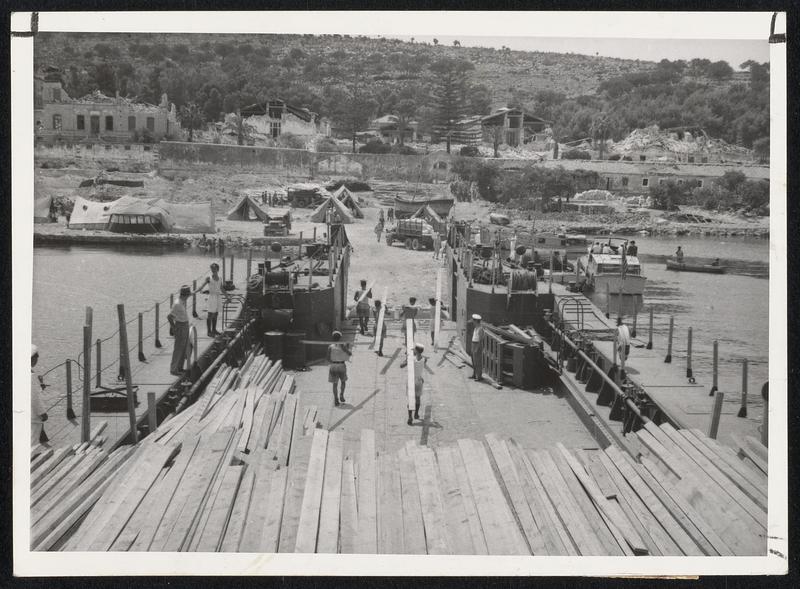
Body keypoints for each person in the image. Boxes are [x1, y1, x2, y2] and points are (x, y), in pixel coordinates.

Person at [168, 285, 192, 376]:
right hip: (180, 326)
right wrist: (174, 328)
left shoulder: (182, 302)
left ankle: (180, 367)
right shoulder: (177, 304)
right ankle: (173, 369)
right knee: (178, 348)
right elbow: (169, 317)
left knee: (183, 348)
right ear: (185, 295)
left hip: (185, 325)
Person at [327, 331, 351, 406]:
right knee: (343, 381)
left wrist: (333, 360)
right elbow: (349, 354)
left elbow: (327, 358)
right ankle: (341, 394)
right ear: (340, 338)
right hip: (341, 365)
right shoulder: (342, 346)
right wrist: (347, 347)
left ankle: (336, 399)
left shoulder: (330, 347)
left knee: (335, 384)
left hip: (333, 366)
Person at [198, 263, 223, 337]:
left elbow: (221, 288)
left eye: (214, 269)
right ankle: (209, 332)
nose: (213, 270)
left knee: (216, 314)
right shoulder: (209, 278)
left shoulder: (220, 278)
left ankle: (214, 330)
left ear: (217, 269)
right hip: (211, 297)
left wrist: (227, 297)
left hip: (218, 297)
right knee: (210, 315)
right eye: (212, 268)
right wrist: (200, 289)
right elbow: (203, 285)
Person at [30, 345, 48, 445]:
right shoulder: (31, 376)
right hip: (33, 417)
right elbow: (35, 397)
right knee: (32, 441)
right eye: (36, 357)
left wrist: (40, 385)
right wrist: (42, 413)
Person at [408, 343, 427, 425]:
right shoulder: (425, 359)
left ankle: (410, 417)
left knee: (411, 399)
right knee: (418, 398)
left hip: (411, 380)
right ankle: (416, 414)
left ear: (416, 350)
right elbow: (420, 367)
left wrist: (407, 359)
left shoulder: (411, 359)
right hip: (419, 380)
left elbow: (401, 366)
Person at [470, 314, 484, 381]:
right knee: (473, 360)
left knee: (477, 361)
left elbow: (480, 340)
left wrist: (477, 348)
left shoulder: (480, 329)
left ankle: (479, 376)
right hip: (473, 344)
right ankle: (474, 374)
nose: (472, 322)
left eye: (473, 320)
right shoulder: (476, 328)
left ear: (476, 321)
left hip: (477, 345)